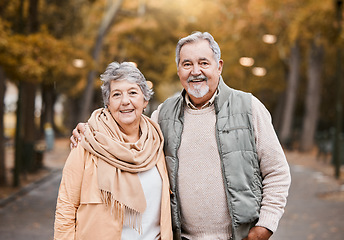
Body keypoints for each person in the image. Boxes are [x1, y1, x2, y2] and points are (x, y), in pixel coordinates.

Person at [71, 32, 291, 240]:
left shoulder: (249, 107)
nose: (196, 71)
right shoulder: (163, 115)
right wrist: (90, 130)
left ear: (219, 67)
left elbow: (277, 172)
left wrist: (264, 227)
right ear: (179, 71)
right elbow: (125, 134)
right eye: (187, 64)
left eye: (204, 63)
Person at [55, 62, 172, 240]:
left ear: (145, 100)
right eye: (117, 94)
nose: (125, 101)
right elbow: (66, 206)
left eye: (133, 92)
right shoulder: (87, 142)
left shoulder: (157, 142)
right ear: (108, 103)